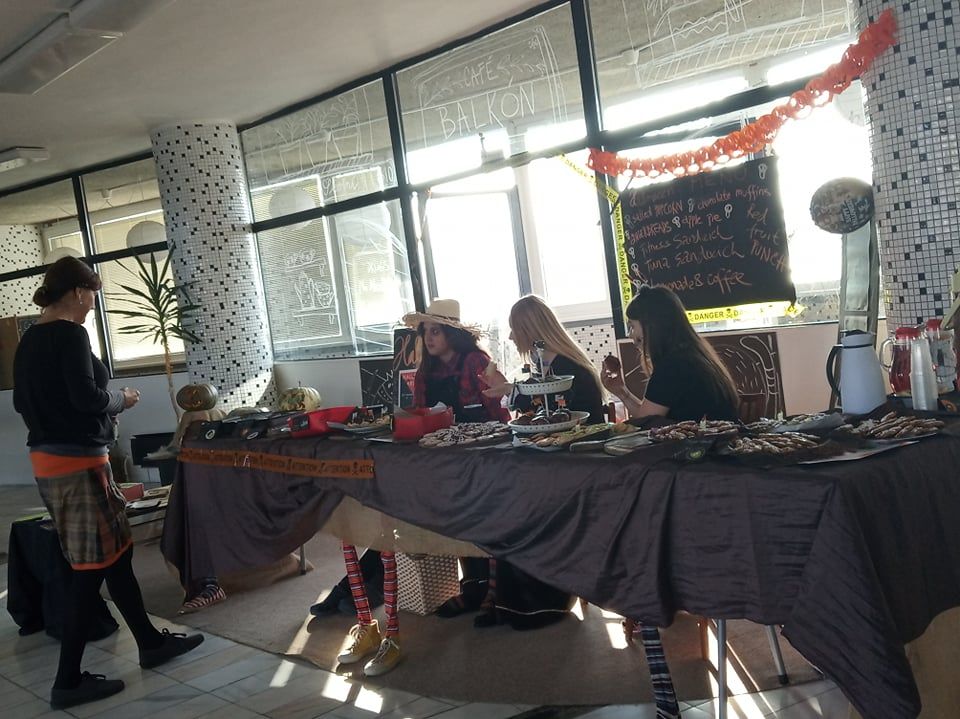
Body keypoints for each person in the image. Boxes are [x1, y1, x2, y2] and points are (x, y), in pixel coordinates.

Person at [13, 257, 204, 710]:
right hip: (78, 465)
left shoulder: (30, 339)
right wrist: (122, 399)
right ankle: (67, 680)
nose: (91, 307)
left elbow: (23, 402)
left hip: (51, 463)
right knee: (90, 571)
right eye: (91, 297)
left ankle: (150, 643)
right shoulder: (70, 334)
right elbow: (87, 397)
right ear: (79, 292)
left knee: (115, 557)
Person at [334, 299, 506, 677]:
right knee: (449, 520)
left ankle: (492, 592)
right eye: (425, 331)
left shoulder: (476, 362)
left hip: (480, 455)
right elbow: (420, 411)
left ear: (453, 334)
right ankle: (471, 587)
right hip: (440, 455)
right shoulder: (425, 369)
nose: (428, 338)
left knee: (481, 518)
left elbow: (498, 412)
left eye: (436, 331)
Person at [468, 295, 604, 630]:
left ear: (531, 329)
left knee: (521, 510)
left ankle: (537, 601)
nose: (511, 337)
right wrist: (508, 388)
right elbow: (533, 414)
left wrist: (512, 393)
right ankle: (503, 598)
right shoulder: (541, 372)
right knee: (500, 501)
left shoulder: (571, 373)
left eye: (514, 329)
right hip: (546, 466)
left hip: (577, 469)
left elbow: (576, 426)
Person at [600, 285, 739, 421]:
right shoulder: (691, 354)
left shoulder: (672, 367)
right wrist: (622, 392)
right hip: (721, 434)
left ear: (651, 326)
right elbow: (648, 417)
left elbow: (646, 422)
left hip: (706, 436)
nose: (630, 335)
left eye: (632, 326)